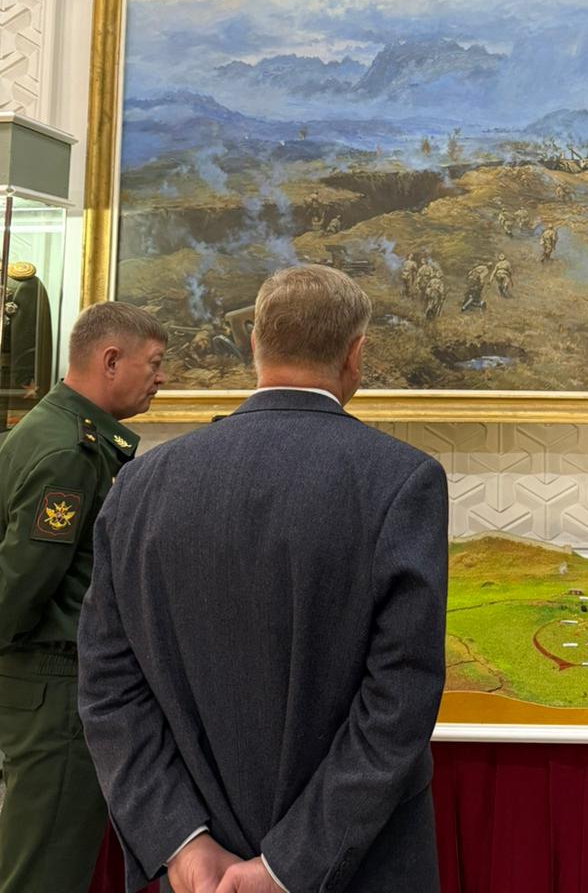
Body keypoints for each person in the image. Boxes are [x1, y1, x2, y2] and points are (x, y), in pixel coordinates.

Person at [78, 266, 449, 893]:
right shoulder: (402, 481)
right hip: (353, 868)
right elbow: (400, 700)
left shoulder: (140, 484)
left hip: (197, 874)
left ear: (254, 343)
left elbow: (108, 687)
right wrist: (289, 866)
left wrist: (181, 843)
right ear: (355, 354)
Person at [0, 301, 167, 893]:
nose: (161, 377)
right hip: (55, 685)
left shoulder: (52, 429)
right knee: (46, 868)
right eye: (154, 363)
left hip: (46, 682)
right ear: (111, 360)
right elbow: (21, 582)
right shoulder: (72, 451)